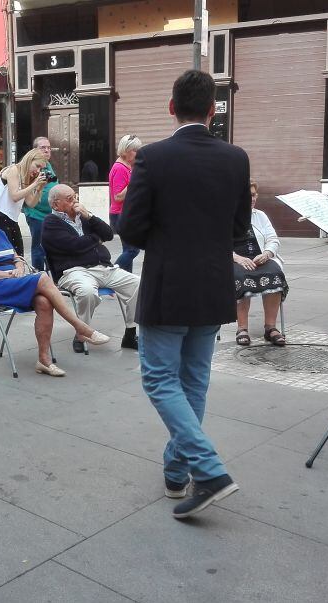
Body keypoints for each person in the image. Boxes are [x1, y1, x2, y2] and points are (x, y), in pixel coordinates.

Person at [118, 69, 248, 519]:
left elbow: (131, 229)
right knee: (193, 380)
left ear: (171, 108)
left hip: (168, 283)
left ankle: (209, 471)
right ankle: (177, 473)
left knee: (159, 379)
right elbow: (240, 228)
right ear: (213, 110)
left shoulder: (153, 157)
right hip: (212, 284)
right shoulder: (236, 158)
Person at [0, 190, 110, 377]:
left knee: (44, 302)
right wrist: (8, 274)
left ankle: (44, 360)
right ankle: (81, 327)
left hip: (11, 282)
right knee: (42, 278)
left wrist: (20, 267)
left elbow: (17, 258)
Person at [41, 184, 139, 354]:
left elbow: (108, 233)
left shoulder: (83, 216)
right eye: (69, 199)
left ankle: (130, 333)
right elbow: (74, 246)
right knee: (86, 292)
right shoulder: (50, 223)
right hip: (73, 271)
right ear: (56, 205)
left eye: (75, 196)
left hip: (102, 267)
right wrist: (96, 238)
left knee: (138, 283)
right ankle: (81, 333)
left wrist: (90, 216)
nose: (75, 201)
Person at [233, 181, 288, 347]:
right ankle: (242, 328)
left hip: (260, 258)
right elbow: (218, 244)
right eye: (248, 195)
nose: (252, 198)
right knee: (241, 277)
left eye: (254, 195)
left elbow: (273, 239)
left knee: (275, 274)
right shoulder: (227, 216)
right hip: (237, 259)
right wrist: (237, 258)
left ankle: (270, 328)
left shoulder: (260, 216)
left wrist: (267, 253)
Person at [0, 149, 49, 258]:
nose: (38, 171)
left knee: (19, 257)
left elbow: (31, 203)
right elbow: (14, 196)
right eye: (37, 166)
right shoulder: (14, 170)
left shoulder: (25, 176)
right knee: (9, 258)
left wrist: (39, 189)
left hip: (12, 220)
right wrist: (34, 184)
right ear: (29, 159)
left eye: (40, 168)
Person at [24, 137, 58, 271]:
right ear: (34, 150)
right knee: (38, 247)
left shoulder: (47, 165)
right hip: (36, 213)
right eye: (43, 147)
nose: (47, 150)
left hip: (50, 214)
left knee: (50, 246)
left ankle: (49, 275)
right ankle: (38, 275)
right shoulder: (31, 167)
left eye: (49, 148)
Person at [109, 135, 142, 273]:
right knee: (133, 250)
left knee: (127, 250)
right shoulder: (120, 168)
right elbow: (118, 196)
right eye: (135, 150)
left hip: (125, 213)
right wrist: (134, 181)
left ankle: (126, 280)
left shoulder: (127, 166)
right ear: (126, 150)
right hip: (120, 214)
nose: (137, 153)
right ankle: (110, 273)